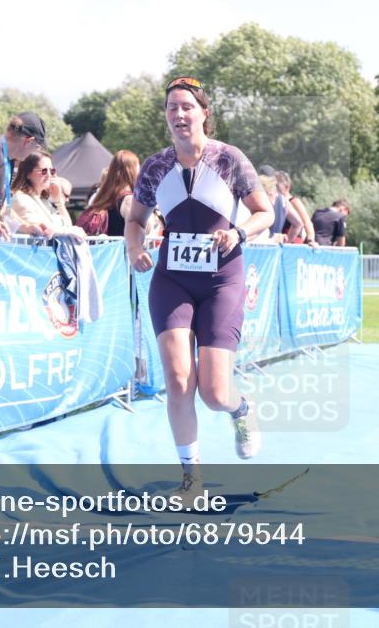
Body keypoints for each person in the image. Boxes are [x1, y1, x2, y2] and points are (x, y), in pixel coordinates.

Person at [125, 76, 273, 497]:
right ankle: (192, 479)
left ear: (204, 113)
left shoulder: (229, 159)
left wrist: (239, 233)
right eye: (172, 107)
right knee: (176, 380)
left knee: (213, 392)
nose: (179, 114)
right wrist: (135, 247)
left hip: (221, 280)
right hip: (172, 279)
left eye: (187, 106)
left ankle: (240, 409)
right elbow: (135, 219)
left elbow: (263, 213)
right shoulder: (155, 166)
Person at [0, 112, 47, 222]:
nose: (35, 152)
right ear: (28, 141)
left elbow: (2, 208)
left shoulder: (10, 161)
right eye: (37, 147)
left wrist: (27, 226)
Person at [10, 152, 86, 239]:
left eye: (52, 171)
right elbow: (42, 230)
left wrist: (59, 202)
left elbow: (68, 225)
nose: (49, 175)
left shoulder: (44, 201)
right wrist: (71, 231)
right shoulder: (21, 199)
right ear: (28, 174)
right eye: (44, 171)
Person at [77, 150, 140, 237]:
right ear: (133, 171)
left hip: (103, 249)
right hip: (122, 250)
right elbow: (136, 233)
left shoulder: (104, 197)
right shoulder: (128, 200)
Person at [275, 171, 316, 246]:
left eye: (276, 186)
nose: (274, 189)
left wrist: (311, 240)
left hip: (293, 243)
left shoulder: (294, 202)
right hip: (280, 241)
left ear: (287, 187)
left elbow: (307, 222)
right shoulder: (276, 202)